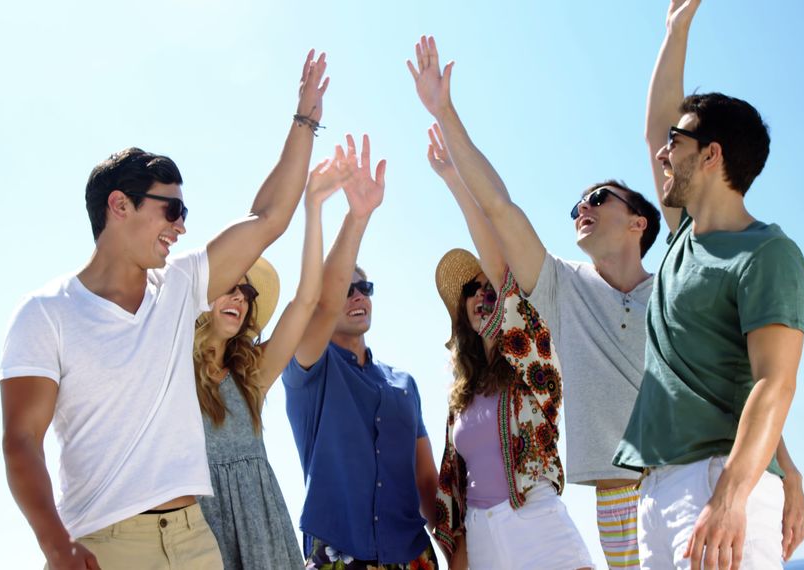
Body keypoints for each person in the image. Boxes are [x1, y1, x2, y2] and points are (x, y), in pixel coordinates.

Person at [409, 35, 804, 569]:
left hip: (716, 472)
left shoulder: (681, 276)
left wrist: (784, 470)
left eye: (598, 198)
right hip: (630, 493)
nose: (581, 209)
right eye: (576, 204)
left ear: (639, 222)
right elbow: (501, 210)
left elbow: (757, 382)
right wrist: (445, 112)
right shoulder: (564, 286)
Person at [0, 50, 330, 570]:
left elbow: (267, 219)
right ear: (119, 205)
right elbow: (21, 441)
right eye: (170, 210)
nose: (180, 226)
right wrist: (55, 544)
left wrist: (305, 121)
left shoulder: (178, 288)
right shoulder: (45, 314)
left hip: (196, 541)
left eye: (185, 212)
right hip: (104, 545)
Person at [611, 1, 804, 568]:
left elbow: (774, 384)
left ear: (710, 156)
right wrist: (676, 31)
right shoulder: (682, 240)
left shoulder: (766, 255)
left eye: (677, 142)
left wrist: (732, 495)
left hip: (716, 488)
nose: (661, 151)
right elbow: (654, 123)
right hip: (660, 490)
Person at [427, 139, 593, 568]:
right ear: (461, 310)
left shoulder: (534, 358)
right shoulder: (459, 395)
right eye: (471, 289)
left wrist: (453, 180)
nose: (483, 294)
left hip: (536, 519)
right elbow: (453, 492)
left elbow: (500, 265)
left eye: (491, 287)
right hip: (481, 536)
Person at [282, 135, 442, 569]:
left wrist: (455, 541)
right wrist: (356, 217)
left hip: (412, 553)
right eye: (346, 288)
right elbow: (323, 298)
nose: (356, 296)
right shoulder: (308, 370)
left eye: (364, 287)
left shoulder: (403, 384)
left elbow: (426, 479)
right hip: (337, 547)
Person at [192, 148, 349, 569]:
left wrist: (313, 207)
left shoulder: (251, 375)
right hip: (198, 534)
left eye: (249, 294)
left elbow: (307, 301)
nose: (240, 299)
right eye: (230, 286)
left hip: (264, 536)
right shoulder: (172, 369)